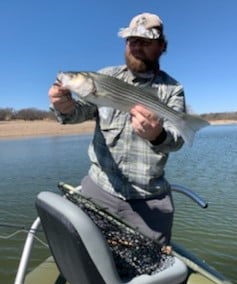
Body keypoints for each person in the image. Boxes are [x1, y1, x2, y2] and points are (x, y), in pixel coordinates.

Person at [48, 12, 186, 247]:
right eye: (132, 41)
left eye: (145, 42)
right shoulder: (105, 76)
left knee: (150, 270)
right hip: (98, 188)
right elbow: (78, 112)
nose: (136, 47)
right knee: (87, 252)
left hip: (148, 199)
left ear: (161, 46)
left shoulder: (173, 89)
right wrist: (64, 106)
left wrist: (158, 135)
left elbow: (177, 139)